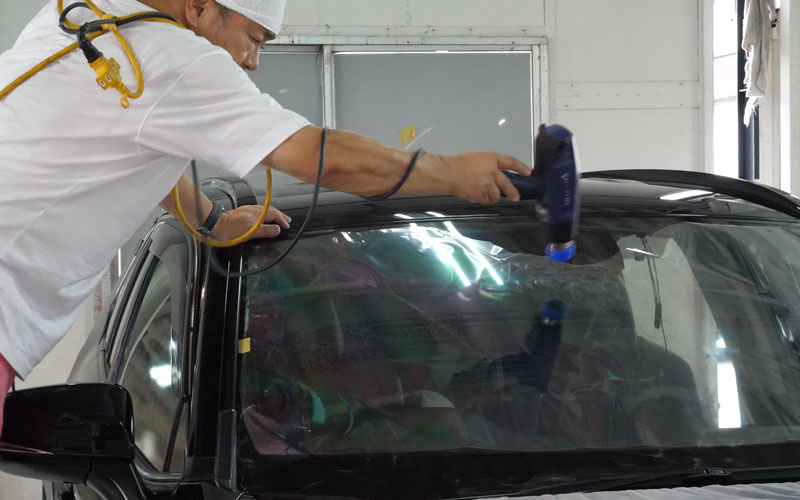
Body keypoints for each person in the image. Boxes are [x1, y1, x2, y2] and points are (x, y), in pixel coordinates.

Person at [0, 0, 531, 434]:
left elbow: (134, 147)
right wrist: (448, 173)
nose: (253, 61)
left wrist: (211, 221)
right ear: (200, 7)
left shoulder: (83, 15)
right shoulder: (174, 57)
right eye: (254, 39)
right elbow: (317, 156)